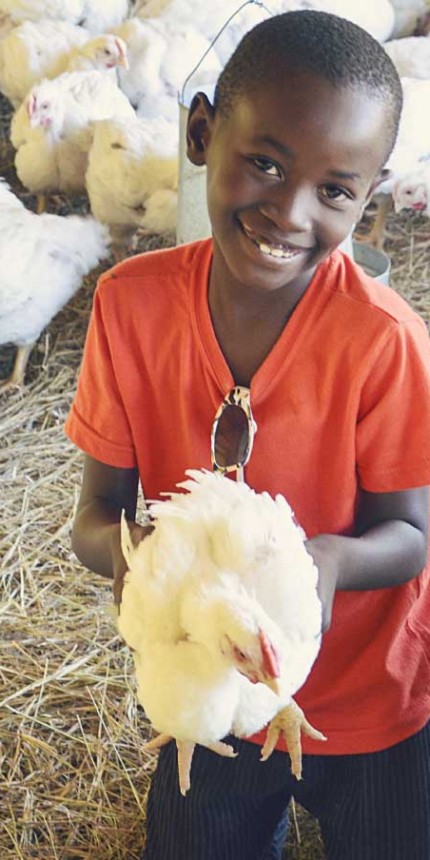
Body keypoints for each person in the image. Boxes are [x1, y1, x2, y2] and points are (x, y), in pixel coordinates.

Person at [65, 10, 430, 860]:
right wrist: (136, 560)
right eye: (265, 163)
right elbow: (95, 514)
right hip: (216, 687)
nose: (288, 213)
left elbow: (410, 534)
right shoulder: (131, 307)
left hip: (367, 691)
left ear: (368, 197)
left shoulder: (383, 341)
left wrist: (325, 564)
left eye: (334, 190)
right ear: (201, 135)